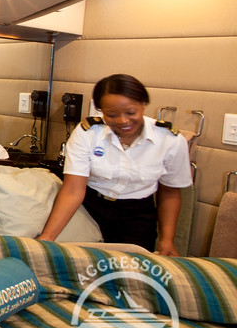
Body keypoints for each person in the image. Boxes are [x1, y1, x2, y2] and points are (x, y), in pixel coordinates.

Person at [36, 74, 191, 255]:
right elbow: (73, 190)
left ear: (143, 104)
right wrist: (47, 237)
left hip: (137, 215)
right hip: (88, 207)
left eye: (131, 113)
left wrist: (167, 240)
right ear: (101, 110)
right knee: (76, 260)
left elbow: (170, 192)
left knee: (129, 267)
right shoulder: (88, 133)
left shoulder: (170, 140)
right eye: (111, 115)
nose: (123, 121)